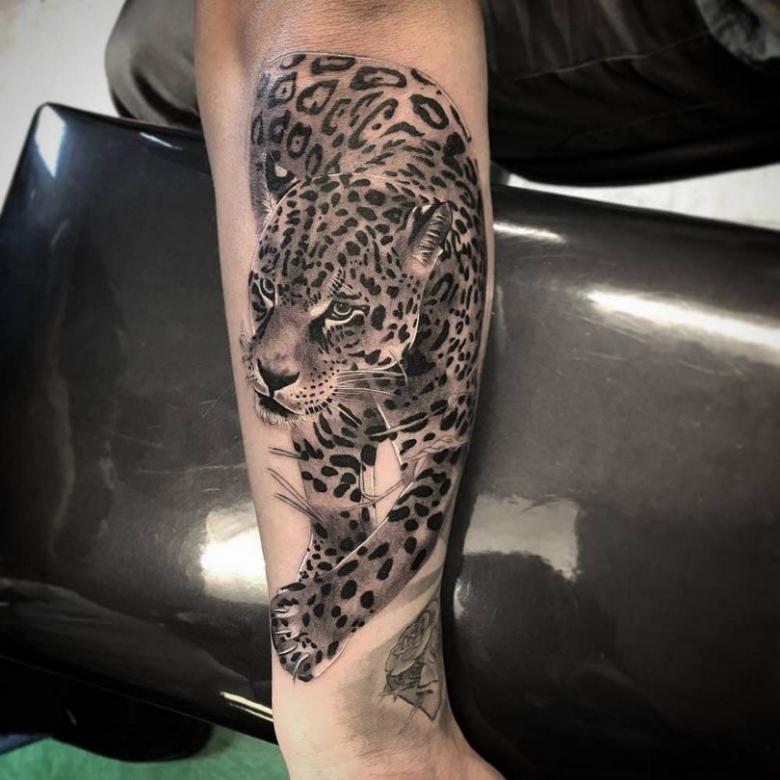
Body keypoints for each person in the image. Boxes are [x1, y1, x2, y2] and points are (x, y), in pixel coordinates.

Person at [104, 3, 779, 779]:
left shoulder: (430, 270)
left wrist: (360, 715)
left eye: (338, 316)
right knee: (149, 52)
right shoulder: (312, 255)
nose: (277, 361)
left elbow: (364, 10)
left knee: (159, 66)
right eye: (274, 302)